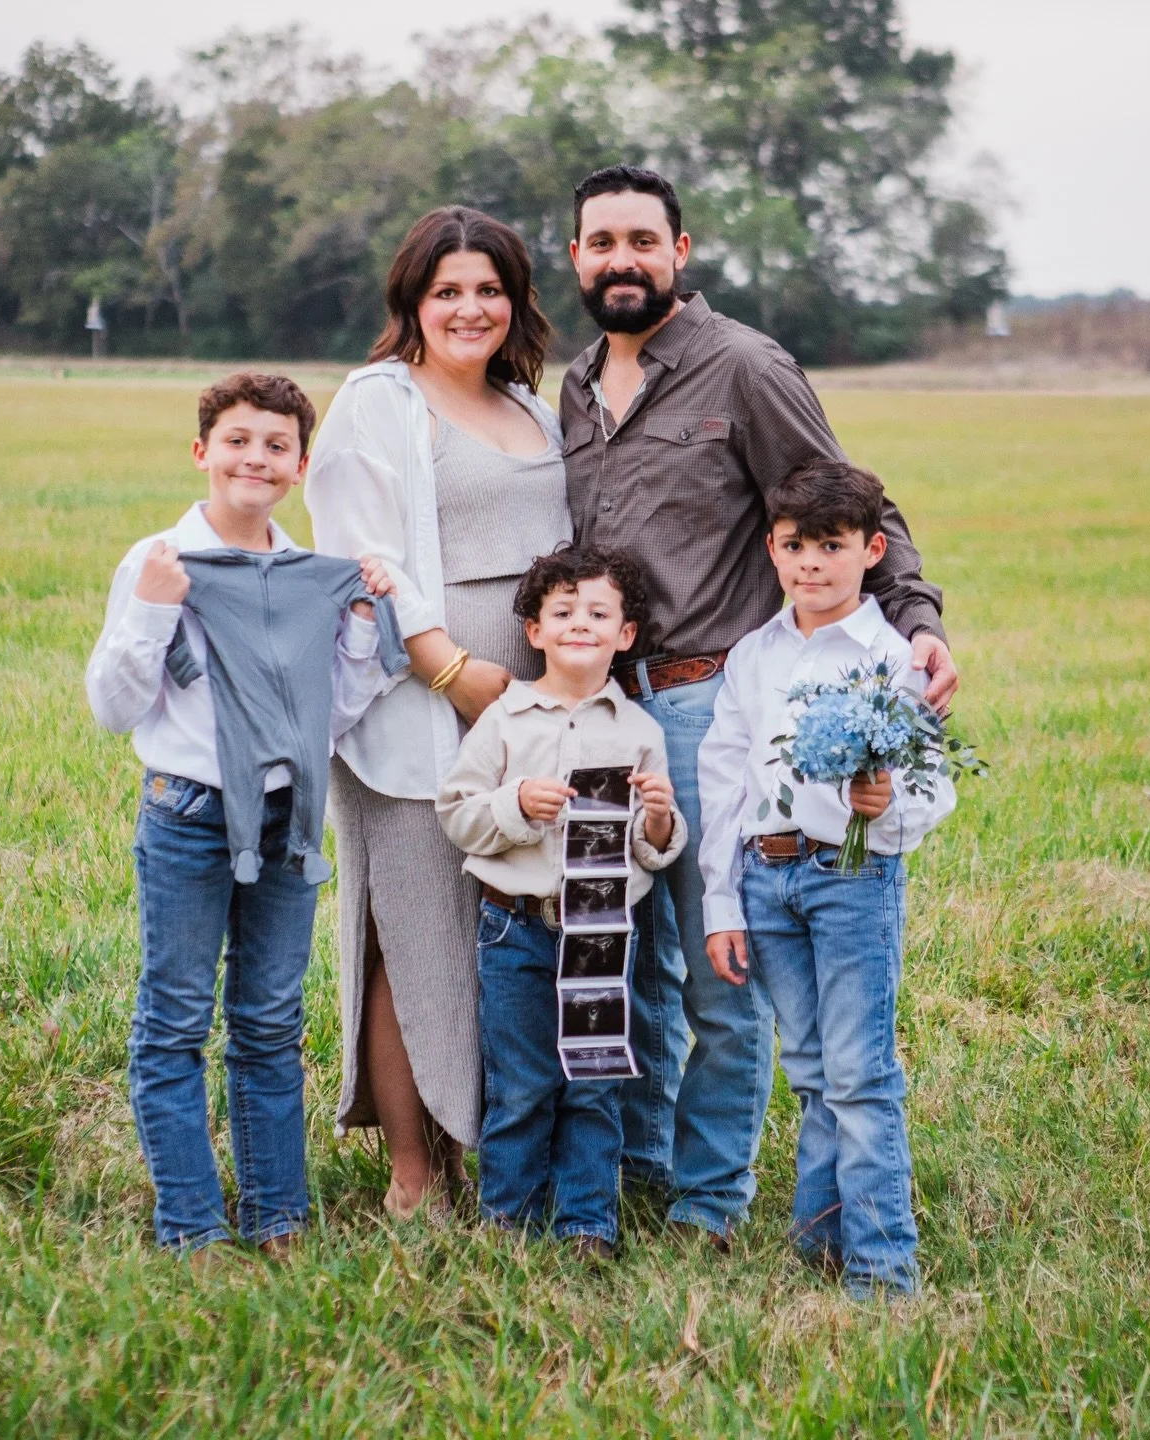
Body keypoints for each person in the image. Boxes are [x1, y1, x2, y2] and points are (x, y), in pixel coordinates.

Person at [559, 164, 960, 1246]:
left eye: (643, 241)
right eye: (602, 243)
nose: (622, 260)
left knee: (716, 971)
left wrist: (916, 619)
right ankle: (642, 1163)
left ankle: (708, 1202)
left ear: (680, 252)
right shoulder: (577, 383)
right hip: (602, 710)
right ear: (577, 259)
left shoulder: (742, 366)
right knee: (628, 955)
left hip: (708, 703)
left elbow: (851, 502)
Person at [84, 372, 401, 1260]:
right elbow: (113, 708)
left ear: (299, 467)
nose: (253, 458)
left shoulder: (309, 580)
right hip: (186, 813)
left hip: (284, 819)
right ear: (202, 452)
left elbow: (328, 716)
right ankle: (191, 1223)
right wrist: (153, 609)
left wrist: (365, 623)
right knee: (176, 1019)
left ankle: (276, 1216)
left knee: (268, 1020)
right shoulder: (158, 562)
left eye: (274, 446)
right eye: (236, 440)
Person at [305, 207, 572, 1219]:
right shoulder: (379, 401)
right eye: (447, 290)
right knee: (411, 930)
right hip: (421, 702)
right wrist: (452, 671)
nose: (470, 308)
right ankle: (415, 1173)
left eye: (489, 289)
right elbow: (353, 556)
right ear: (412, 299)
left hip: (533, 709)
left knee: (497, 926)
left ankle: (499, 1139)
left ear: (516, 301)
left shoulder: (531, 409)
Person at [696, 461, 956, 1296]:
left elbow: (930, 790)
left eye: (832, 546)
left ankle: (883, 1268)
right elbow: (724, 780)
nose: (811, 563)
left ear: (871, 550)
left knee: (860, 1075)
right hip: (766, 881)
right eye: (794, 545)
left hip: (852, 884)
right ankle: (820, 1240)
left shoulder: (894, 659)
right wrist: (720, 901)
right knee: (807, 1068)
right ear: (771, 551)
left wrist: (879, 805)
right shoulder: (752, 656)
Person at [435, 546, 685, 1258]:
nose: (582, 624)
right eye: (564, 612)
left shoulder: (638, 731)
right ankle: (507, 1220)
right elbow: (456, 811)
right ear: (535, 631)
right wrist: (514, 804)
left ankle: (585, 1224)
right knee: (522, 1084)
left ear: (625, 635)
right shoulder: (505, 722)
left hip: (603, 933)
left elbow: (651, 847)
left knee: (593, 1085)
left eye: (600, 613)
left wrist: (660, 821)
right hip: (516, 929)